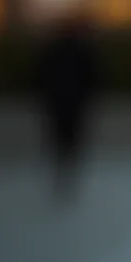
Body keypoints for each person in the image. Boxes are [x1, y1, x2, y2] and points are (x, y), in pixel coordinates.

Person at [37, 14, 99, 201]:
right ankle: (66, 173)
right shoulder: (79, 50)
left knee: (62, 139)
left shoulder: (57, 50)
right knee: (69, 140)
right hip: (69, 103)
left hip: (62, 103)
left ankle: (64, 173)